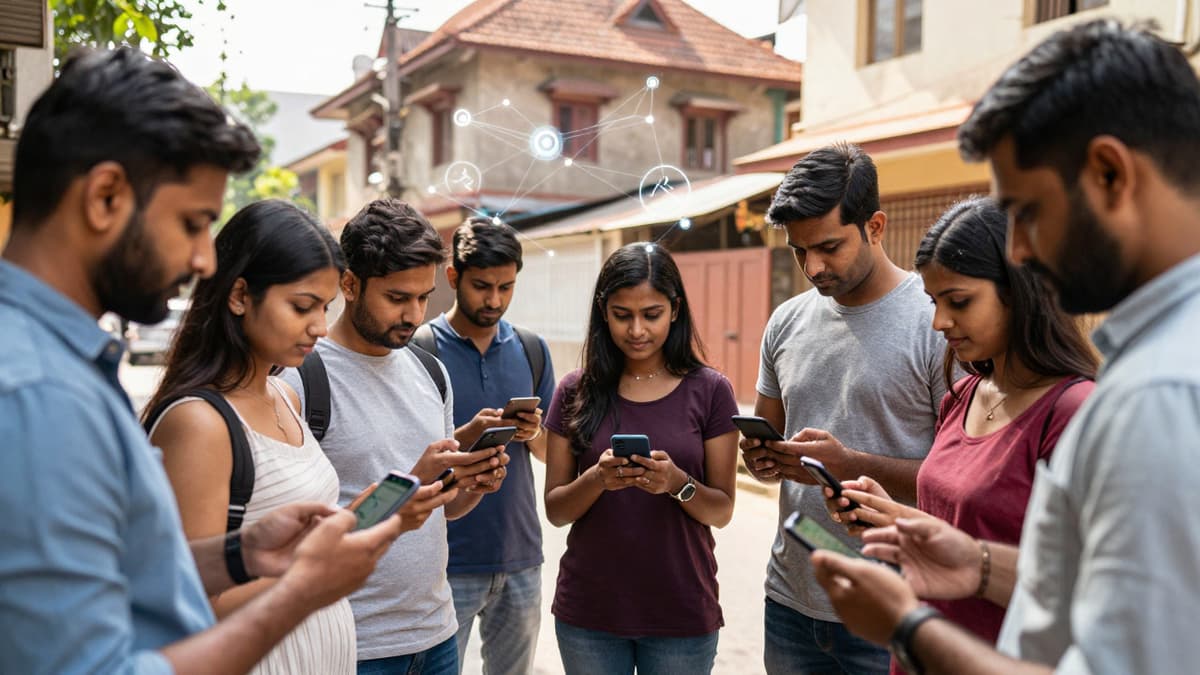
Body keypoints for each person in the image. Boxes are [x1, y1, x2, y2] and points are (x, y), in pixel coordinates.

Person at [810, 19, 1200, 675]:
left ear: (1109, 173)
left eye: (1026, 211)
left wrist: (909, 626)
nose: (1019, 250)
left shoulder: (1158, 395)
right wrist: (977, 561)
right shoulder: (1157, 364)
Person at [0, 47, 406, 674]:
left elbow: (114, 579)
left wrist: (238, 554)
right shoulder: (35, 391)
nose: (205, 261)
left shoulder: (58, 361)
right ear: (105, 195)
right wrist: (301, 591)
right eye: (192, 223)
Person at [143, 200, 456, 674]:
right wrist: (310, 579)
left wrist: (362, 519)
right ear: (239, 295)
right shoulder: (199, 422)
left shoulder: (281, 397)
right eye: (302, 306)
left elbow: (293, 549)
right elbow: (184, 607)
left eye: (324, 308)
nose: (317, 326)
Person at [823, 196, 1096, 665]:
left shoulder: (1074, 413)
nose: (939, 322)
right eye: (934, 301)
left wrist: (979, 566)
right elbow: (957, 536)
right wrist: (892, 518)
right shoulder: (963, 396)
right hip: (918, 650)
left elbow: (1087, 592)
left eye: (959, 301)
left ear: (1020, 291)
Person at [279, 198, 510, 675]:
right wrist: (410, 480)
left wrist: (470, 485)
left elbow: (441, 509)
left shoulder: (432, 372)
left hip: (437, 634)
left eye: (423, 297)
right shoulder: (300, 380)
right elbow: (297, 542)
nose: (414, 314)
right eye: (397, 297)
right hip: (354, 645)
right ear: (349, 284)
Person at [740, 142, 947, 674]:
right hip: (791, 601)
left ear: (875, 227)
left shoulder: (938, 324)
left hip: (894, 608)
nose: (813, 266)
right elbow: (770, 449)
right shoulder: (785, 322)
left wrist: (851, 465)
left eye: (829, 247)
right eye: (798, 251)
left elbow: (958, 482)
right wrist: (762, 458)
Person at [543, 242, 740, 675]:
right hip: (588, 613)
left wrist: (677, 483)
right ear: (602, 311)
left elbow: (722, 510)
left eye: (651, 314)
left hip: (682, 611)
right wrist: (597, 478)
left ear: (675, 309)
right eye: (621, 314)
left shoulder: (711, 391)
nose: (636, 330)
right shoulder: (574, 391)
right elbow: (556, 510)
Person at [414, 217, 555, 675]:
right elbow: (409, 461)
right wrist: (469, 433)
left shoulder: (532, 348)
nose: (494, 300)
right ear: (453, 277)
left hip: (520, 558)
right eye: (481, 286)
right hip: (445, 562)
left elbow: (553, 455)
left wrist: (533, 433)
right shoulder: (420, 349)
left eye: (506, 287)